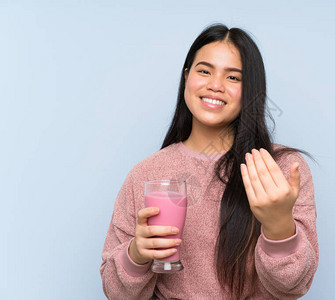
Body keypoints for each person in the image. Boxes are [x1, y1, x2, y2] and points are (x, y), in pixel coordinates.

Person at [100, 23, 319, 300]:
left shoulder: (280, 169)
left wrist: (279, 226)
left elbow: (292, 286)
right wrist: (136, 255)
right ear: (186, 77)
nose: (215, 86)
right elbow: (115, 292)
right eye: (204, 71)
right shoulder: (146, 174)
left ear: (251, 90)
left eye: (234, 78)